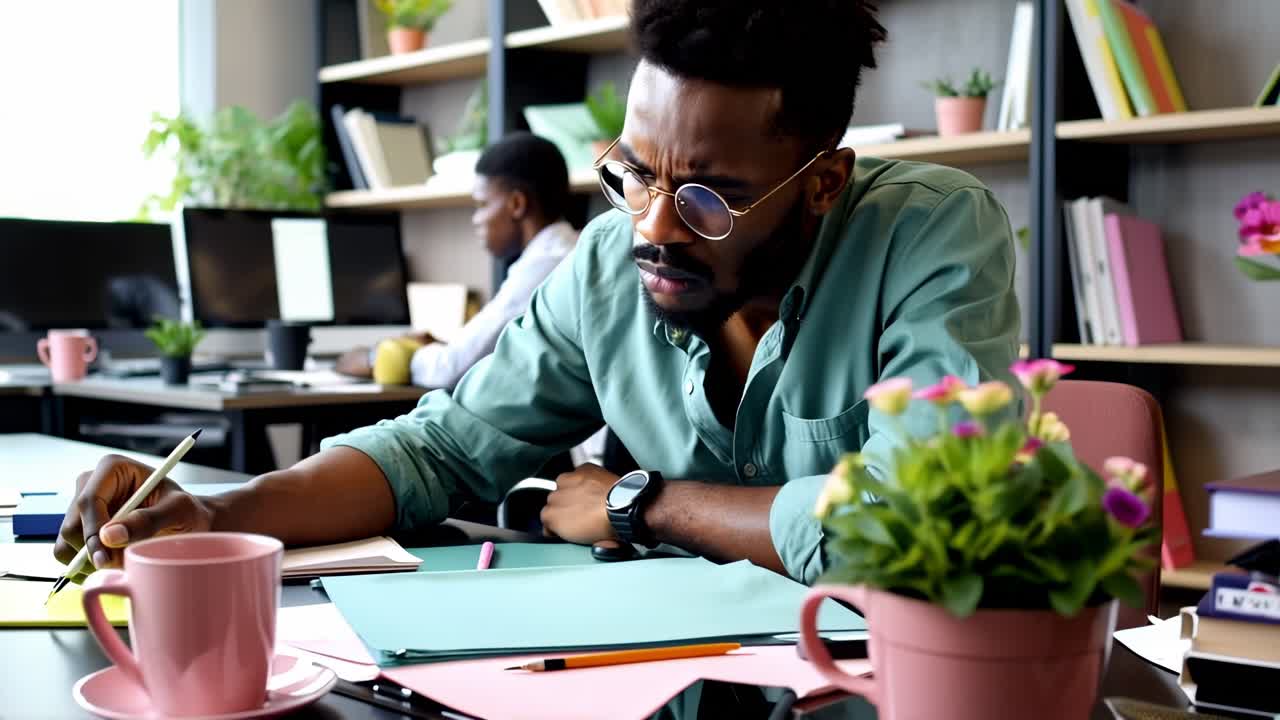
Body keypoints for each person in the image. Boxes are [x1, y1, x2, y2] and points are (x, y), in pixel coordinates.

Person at [55, 0, 1020, 586]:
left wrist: (648, 504)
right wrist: (225, 515)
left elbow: (918, 522)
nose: (653, 227)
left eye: (708, 199)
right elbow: (440, 449)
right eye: (635, 175)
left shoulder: (931, 231)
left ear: (821, 181)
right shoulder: (608, 263)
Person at [334, 131, 578, 389]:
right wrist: (447, 347)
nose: (476, 219)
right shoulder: (564, 251)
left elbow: (449, 370)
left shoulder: (545, 265)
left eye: (482, 204)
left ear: (517, 204)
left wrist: (376, 357)